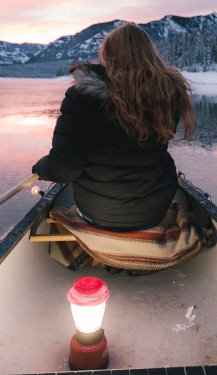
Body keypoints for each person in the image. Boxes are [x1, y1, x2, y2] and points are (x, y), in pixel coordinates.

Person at [32, 22, 196, 231]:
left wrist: (40, 168)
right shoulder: (166, 94)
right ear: (148, 53)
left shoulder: (81, 97)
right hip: (153, 212)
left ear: (107, 57)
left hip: (98, 214)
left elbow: (64, 168)